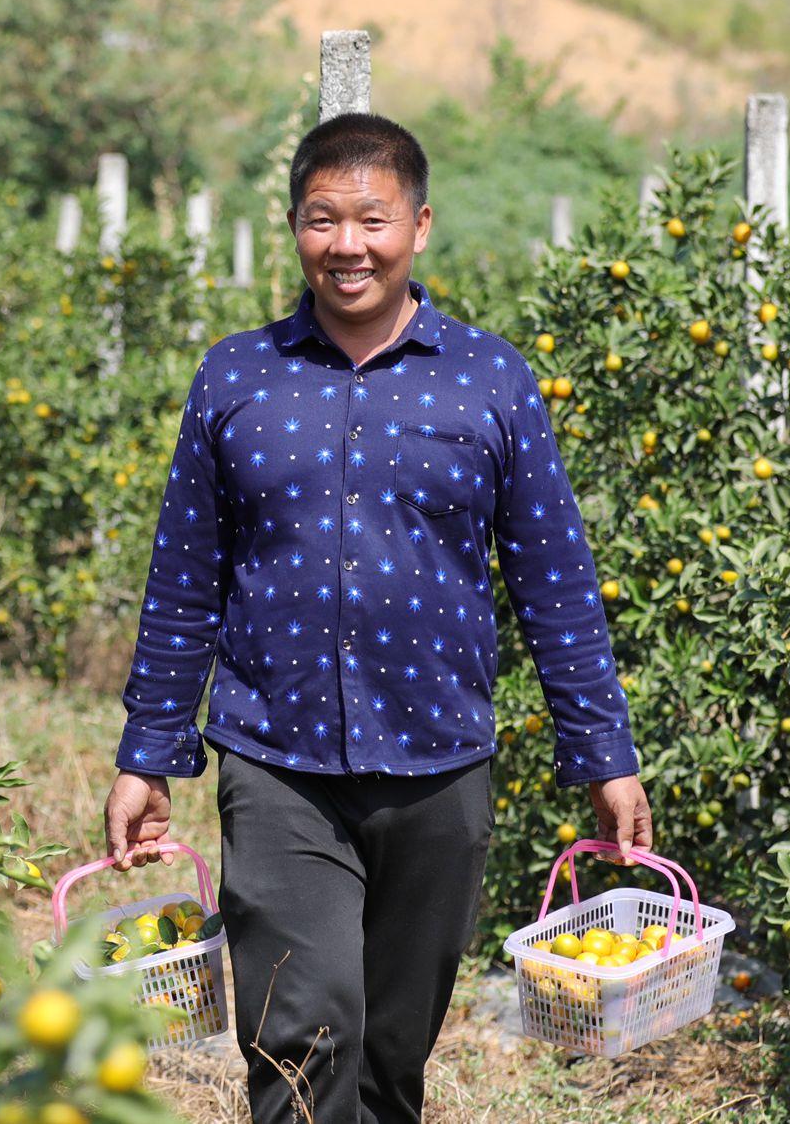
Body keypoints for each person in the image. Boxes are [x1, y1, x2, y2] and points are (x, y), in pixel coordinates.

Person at [102, 112, 652, 1123]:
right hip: (278, 763)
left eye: (372, 220)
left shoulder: (491, 380)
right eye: (320, 220)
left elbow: (554, 582)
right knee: (303, 1040)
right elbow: (184, 579)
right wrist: (149, 754)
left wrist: (603, 753)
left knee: (392, 1058)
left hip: (439, 762)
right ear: (294, 228)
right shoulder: (238, 377)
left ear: (421, 227)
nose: (345, 245)